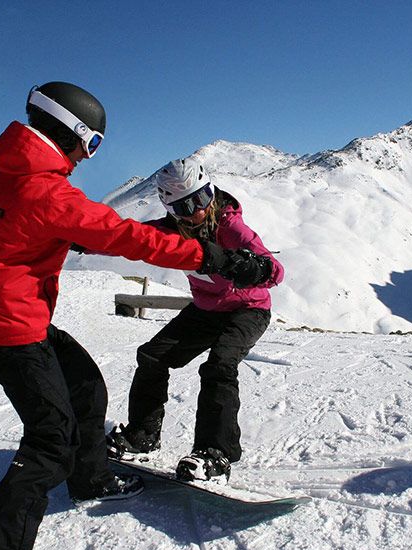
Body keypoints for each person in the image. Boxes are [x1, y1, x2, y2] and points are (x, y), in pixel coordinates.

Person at [0, 83, 266, 550]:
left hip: (1, 310)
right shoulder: (49, 191)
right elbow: (129, 238)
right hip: (7, 322)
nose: (89, 155)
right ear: (76, 134)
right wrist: (213, 258)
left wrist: (43, 237)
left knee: (85, 387)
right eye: (93, 143)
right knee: (49, 443)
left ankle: (91, 476)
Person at [106, 157, 283, 482]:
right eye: (186, 206)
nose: (198, 211)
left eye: (202, 198)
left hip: (248, 309)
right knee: (152, 356)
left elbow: (274, 270)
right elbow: (125, 237)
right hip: (206, 310)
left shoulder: (229, 226)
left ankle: (215, 454)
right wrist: (79, 239)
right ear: (171, 209)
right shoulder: (169, 232)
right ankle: (143, 436)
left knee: (220, 364)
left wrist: (250, 267)